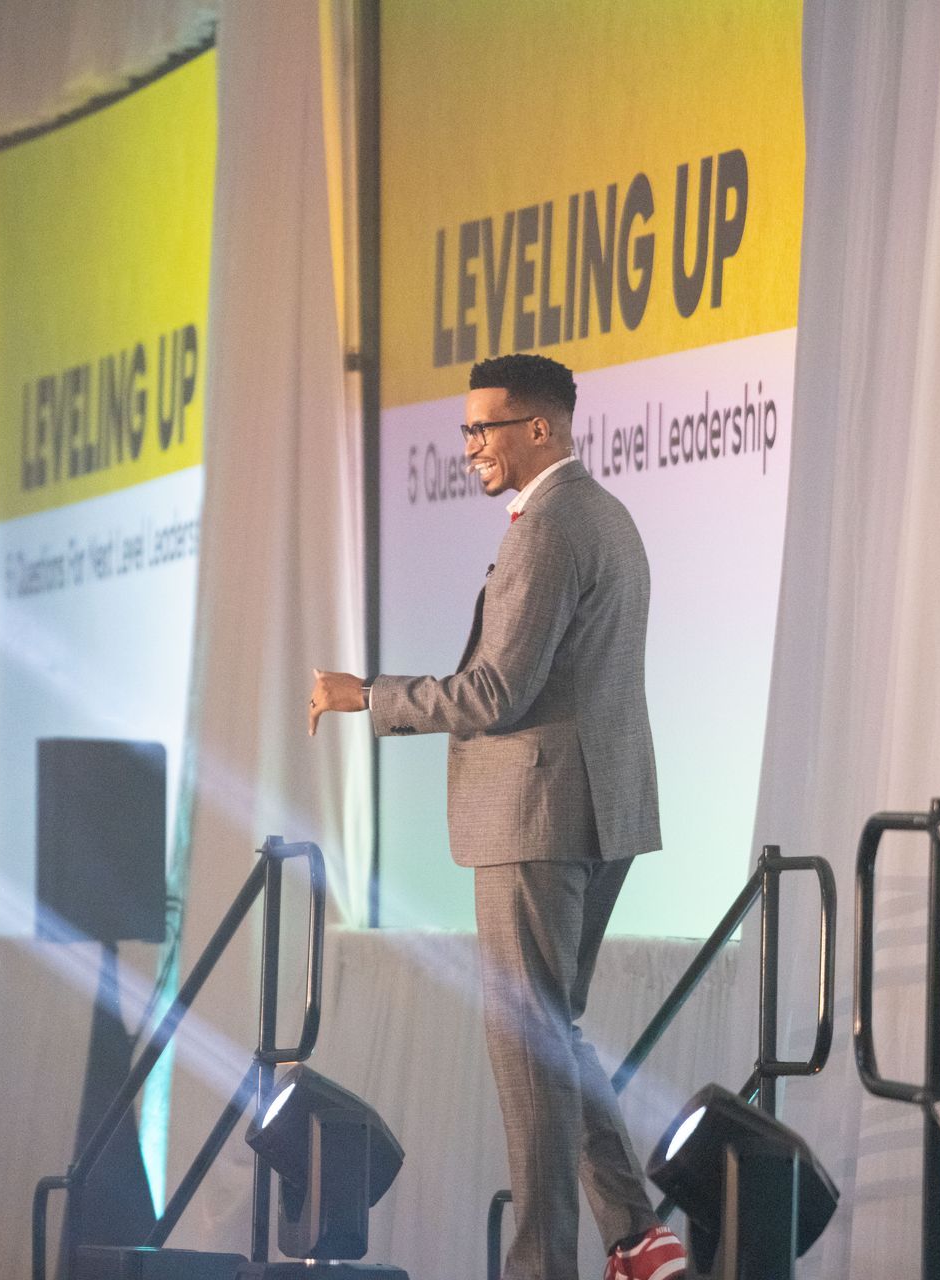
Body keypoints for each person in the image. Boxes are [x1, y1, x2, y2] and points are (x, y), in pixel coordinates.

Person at [309, 353, 686, 1280]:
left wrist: (371, 696)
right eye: (468, 426)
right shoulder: (609, 516)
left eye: (485, 426)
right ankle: (637, 1238)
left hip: (537, 819)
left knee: (530, 1050)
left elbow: (494, 692)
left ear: (540, 431)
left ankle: (543, 1268)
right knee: (551, 1035)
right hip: (595, 813)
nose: (469, 443)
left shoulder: (550, 527)